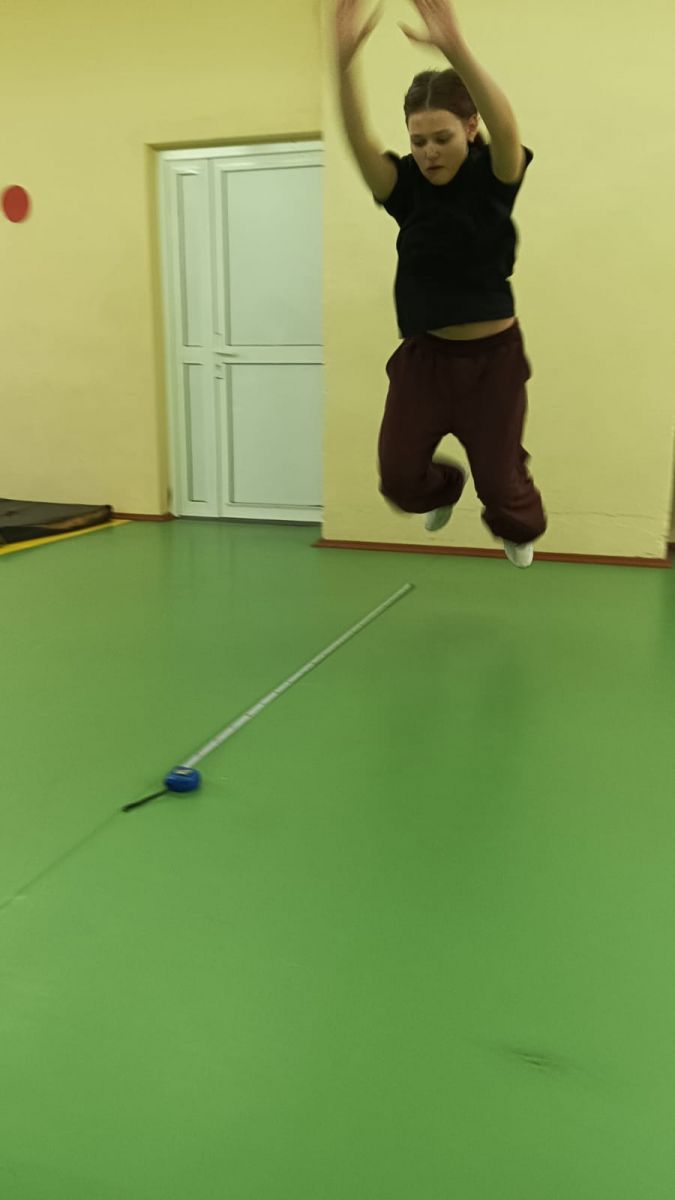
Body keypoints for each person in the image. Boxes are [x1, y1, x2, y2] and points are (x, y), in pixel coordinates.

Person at [335, 0, 547, 568]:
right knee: (399, 479)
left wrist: (454, 47)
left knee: (501, 484)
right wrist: (343, 66)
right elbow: (357, 140)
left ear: (470, 128)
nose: (429, 152)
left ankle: (515, 523)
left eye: (442, 137)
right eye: (419, 140)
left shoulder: (493, 175)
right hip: (425, 359)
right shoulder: (404, 187)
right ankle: (444, 490)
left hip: (493, 362)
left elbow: (507, 125)